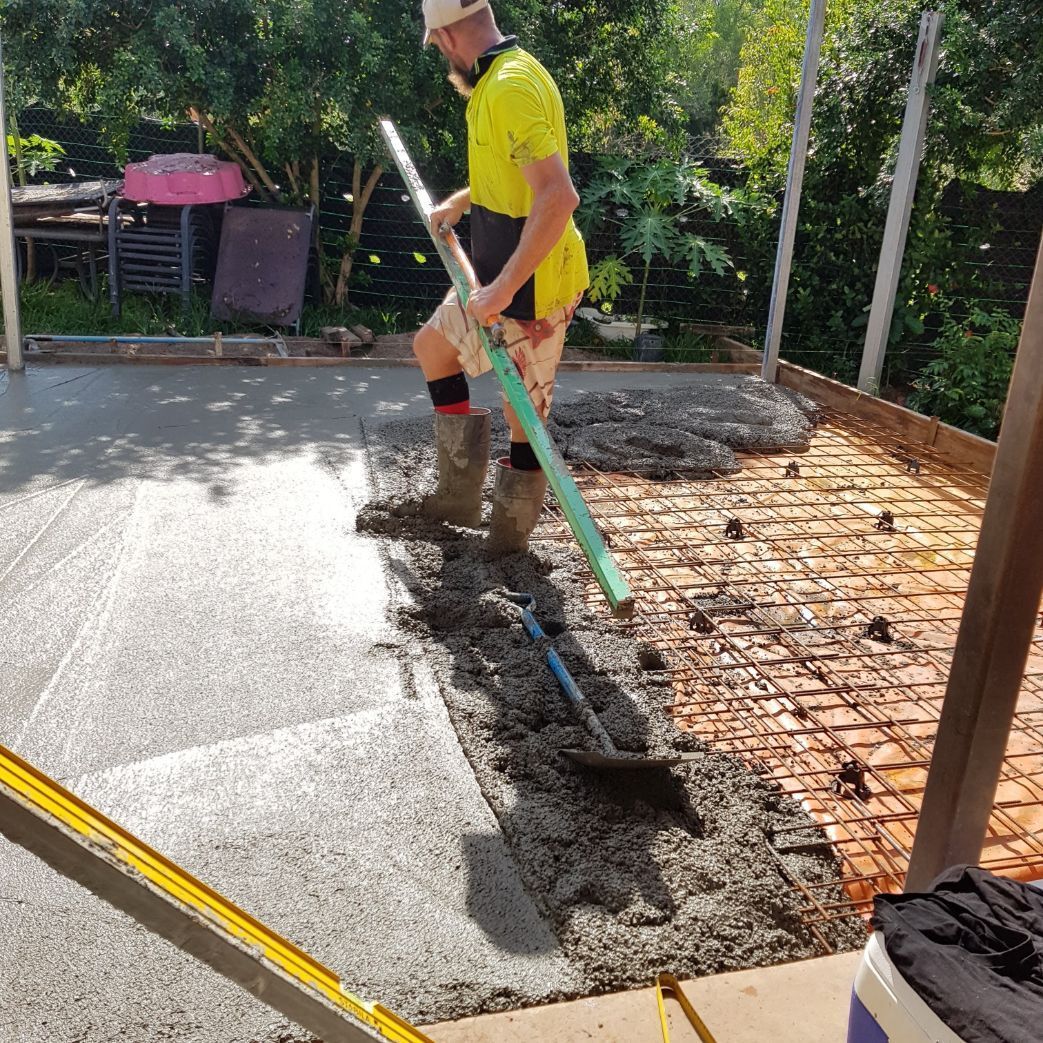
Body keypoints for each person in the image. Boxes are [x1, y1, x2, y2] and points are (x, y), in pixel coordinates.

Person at [413, 0, 588, 552]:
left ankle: (508, 541)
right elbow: (514, 175)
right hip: (491, 272)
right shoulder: (499, 80)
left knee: (524, 415)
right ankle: (459, 496)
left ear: (444, 37)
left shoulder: (509, 87)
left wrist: (506, 290)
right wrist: (463, 202)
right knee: (432, 348)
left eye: (438, 47)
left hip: (535, 283)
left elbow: (558, 196)